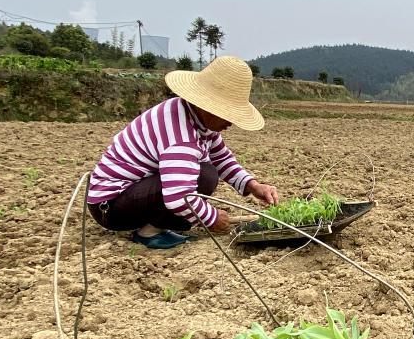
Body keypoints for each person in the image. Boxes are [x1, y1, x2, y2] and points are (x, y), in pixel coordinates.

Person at [86, 55, 280, 249]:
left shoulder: (195, 118)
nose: (231, 122)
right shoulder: (181, 136)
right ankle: (149, 233)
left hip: (128, 195)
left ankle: (157, 223)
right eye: (227, 114)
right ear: (209, 107)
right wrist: (211, 218)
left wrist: (253, 186)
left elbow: (221, 158)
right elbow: (179, 196)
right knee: (205, 176)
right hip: (111, 207)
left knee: (205, 173)